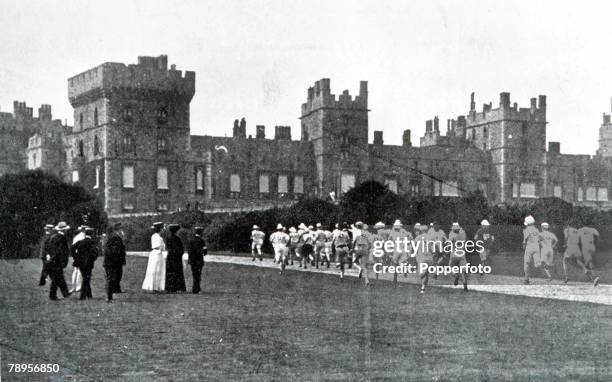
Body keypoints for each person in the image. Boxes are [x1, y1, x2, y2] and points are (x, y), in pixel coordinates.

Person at [46, 222, 71, 300]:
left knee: (59, 278)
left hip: (52, 260)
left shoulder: (53, 237)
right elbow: (61, 251)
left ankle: (65, 293)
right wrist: (63, 261)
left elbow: (49, 249)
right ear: (64, 230)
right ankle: (53, 295)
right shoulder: (62, 238)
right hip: (58, 261)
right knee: (57, 278)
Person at [72, 227, 98, 300]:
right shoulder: (92, 242)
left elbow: (72, 248)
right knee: (86, 279)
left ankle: (89, 295)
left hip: (80, 263)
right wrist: (93, 258)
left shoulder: (80, 242)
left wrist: (76, 257)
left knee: (85, 278)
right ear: (91, 234)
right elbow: (95, 252)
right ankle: (82, 296)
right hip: (88, 263)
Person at [103, 223, 127, 301]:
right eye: (121, 229)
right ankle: (109, 297)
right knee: (111, 278)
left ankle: (110, 295)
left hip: (111, 261)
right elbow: (115, 250)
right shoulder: (115, 237)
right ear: (118, 230)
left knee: (112, 278)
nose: (122, 231)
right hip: (113, 262)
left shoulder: (113, 236)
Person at [142, 222, 166, 292]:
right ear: (160, 229)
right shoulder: (156, 237)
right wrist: (162, 247)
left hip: (157, 254)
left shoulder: (157, 236)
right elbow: (159, 246)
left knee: (158, 270)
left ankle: (156, 287)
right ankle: (153, 287)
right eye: (162, 228)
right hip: (157, 254)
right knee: (155, 270)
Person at [387, 220, 412, 285]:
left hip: (397, 249)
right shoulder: (404, 231)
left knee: (395, 263)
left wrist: (389, 250)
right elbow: (410, 237)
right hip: (403, 249)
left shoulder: (393, 232)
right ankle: (404, 269)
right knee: (402, 262)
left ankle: (395, 278)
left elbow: (389, 240)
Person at [165, 224, 186, 293]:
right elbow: (181, 248)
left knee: (170, 272)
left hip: (170, 256)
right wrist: (180, 253)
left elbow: (168, 248)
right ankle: (178, 287)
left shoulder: (168, 238)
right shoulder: (177, 238)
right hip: (176, 257)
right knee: (178, 272)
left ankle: (170, 288)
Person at [448, 222, 468, 291]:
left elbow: (449, 243)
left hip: (454, 254)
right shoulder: (463, 233)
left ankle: (456, 275)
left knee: (451, 267)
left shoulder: (452, 234)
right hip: (462, 254)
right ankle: (465, 284)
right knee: (463, 271)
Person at [187, 226, 207, 293]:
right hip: (199, 260)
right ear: (201, 233)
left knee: (194, 274)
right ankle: (197, 288)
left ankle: (195, 288)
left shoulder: (190, 240)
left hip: (192, 260)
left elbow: (188, 251)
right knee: (198, 274)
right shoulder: (202, 241)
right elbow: (205, 252)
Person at [522, 215, 541, 284]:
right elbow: (539, 240)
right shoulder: (537, 230)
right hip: (536, 247)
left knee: (526, 263)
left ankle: (526, 279)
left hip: (529, 247)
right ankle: (539, 263)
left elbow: (525, 240)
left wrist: (524, 246)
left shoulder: (526, 230)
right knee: (537, 264)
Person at [414, 224, 432, 293]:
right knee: (425, 273)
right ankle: (423, 287)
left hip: (421, 257)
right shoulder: (430, 237)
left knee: (421, 274)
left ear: (420, 230)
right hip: (429, 256)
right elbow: (433, 247)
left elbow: (414, 246)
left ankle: (423, 286)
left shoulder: (418, 237)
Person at [69, 225, 86, 294]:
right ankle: (78, 287)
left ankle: (73, 286)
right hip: (80, 255)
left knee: (75, 271)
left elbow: (73, 247)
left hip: (75, 255)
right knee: (79, 271)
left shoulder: (76, 236)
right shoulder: (83, 237)